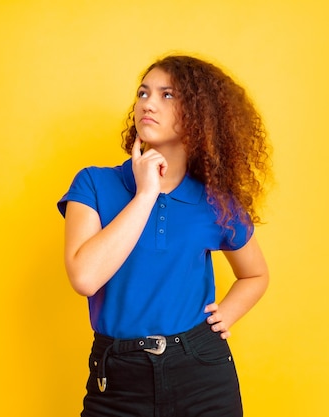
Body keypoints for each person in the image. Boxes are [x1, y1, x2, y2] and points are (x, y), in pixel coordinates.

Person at [57, 54, 271, 417]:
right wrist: (145, 195)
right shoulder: (95, 183)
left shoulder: (214, 201)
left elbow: (255, 274)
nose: (148, 103)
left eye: (167, 95)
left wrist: (226, 315)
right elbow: (85, 277)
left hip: (202, 371)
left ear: (199, 116)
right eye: (143, 93)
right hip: (118, 377)